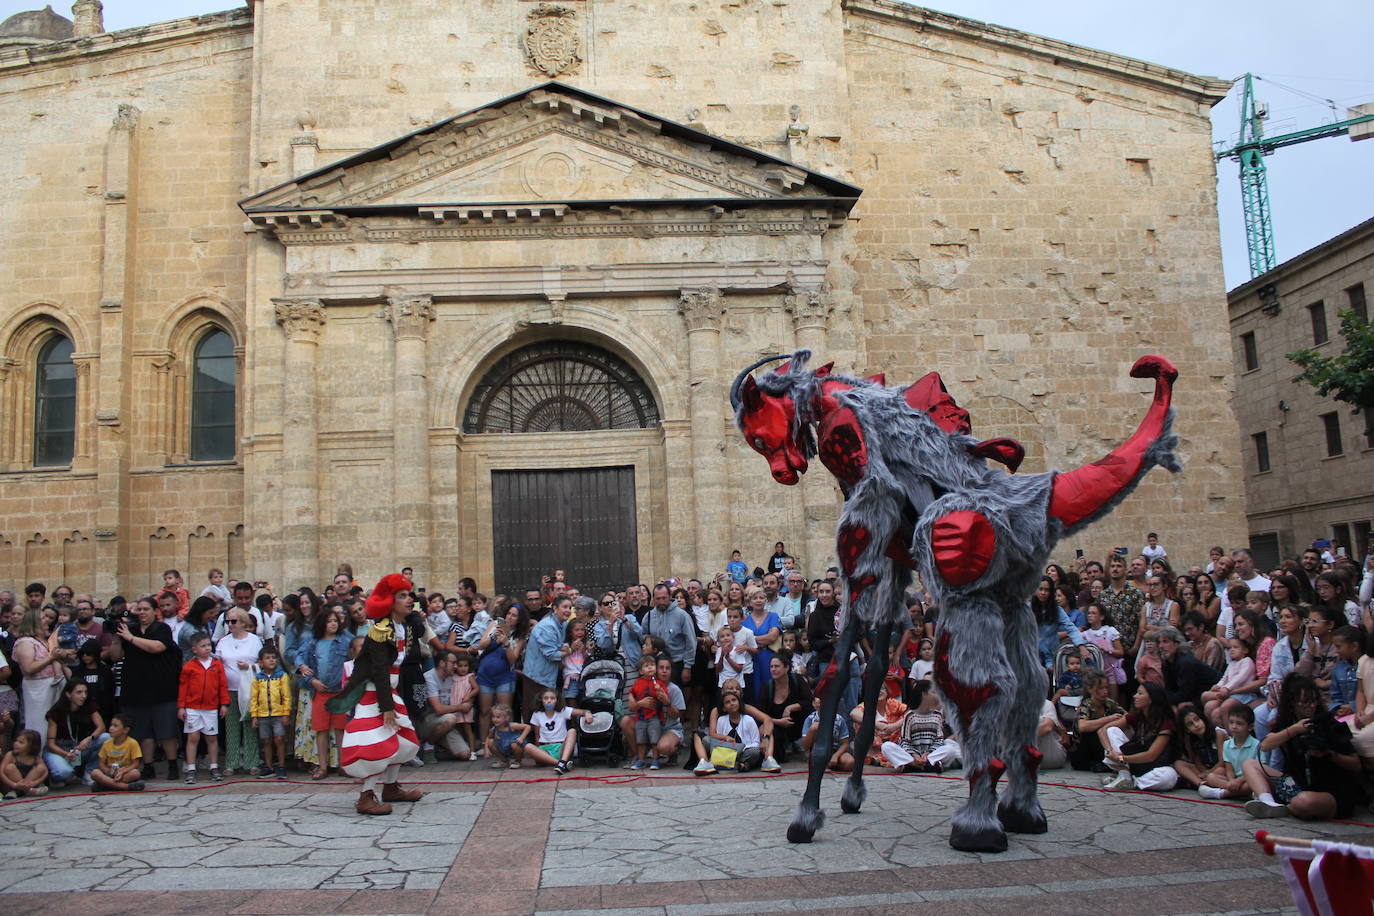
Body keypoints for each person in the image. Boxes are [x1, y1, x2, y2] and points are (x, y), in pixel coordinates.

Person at [330, 573, 424, 815]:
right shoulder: (381, 630)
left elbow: (419, 631)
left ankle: (391, 787)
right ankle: (366, 796)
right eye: (402, 596)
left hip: (389, 692)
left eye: (409, 595)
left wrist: (415, 615)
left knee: (403, 738)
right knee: (375, 743)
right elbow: (380, 671)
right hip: (374, 693)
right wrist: (387, 707)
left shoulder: (402, 627)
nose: (409, 600)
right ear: (390, 602)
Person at [1242, 674, 1361, 820]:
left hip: (1331, 792)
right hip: (1298, 785)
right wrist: (1293, 730)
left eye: (1314, 701)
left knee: (1303, 802)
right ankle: (1268, 802)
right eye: (1305, 702)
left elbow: (1355, 764)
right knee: (1249, 764)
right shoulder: (1288, 724)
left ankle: (1288, 807)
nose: (1311, 706)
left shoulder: (1330, 724)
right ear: (1292, 703)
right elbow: (1265, 745)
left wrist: (1329, 753)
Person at [117, 596, 182, 781]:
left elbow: (157, 647)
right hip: (136, 688)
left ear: (155, 611)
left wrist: (131, 638)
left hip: (162, 688)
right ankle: (148, 765)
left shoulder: (162, 628)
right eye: (139, 609)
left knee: (166, 730)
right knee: (143, 731)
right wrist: (117, 638)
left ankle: (172, 764)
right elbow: (115, 656)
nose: (142, 612)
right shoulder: (130, 629)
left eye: (146, 609)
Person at [300, 605, 351, 779]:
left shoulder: (345, 641)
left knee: (340, 729)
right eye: (329, 621)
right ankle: (322, 766)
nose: (333, 624)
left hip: (340, 693)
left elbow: (354, 660)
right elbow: (304, 664)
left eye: (335, 621)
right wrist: (312, 681)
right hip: (320, 692)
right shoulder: (313, 642)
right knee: (321, 730)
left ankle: (343, 765)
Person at [1099, 683, 1179, 791]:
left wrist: (1121, 758)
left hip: (1154, 766)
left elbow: (1151, 756)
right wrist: (1110, 751)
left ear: (1151, 699)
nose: (1135, 696)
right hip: (1132, 763)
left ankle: (1133, 782)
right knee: (1112, 730)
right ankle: (1124, 775)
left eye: (1140, 693)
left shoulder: (1166, 723)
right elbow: (1103, 730)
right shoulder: (1137, 715)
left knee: (1169, 776)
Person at [216, 605, 263, 776]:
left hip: (249, 689)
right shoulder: (223, 641)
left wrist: (250, 666)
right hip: (229, 689)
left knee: (250, 724)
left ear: (243, 622)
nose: (230, 624)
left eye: (233, 621)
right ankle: (231, 762)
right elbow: (218, 664)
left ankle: (252, 762)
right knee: (231, 726)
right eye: (227, 621)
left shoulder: (254, 640)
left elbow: (263, 663)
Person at [10, 606, 72, 737]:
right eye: (43, 618)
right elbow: (28, 668)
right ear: (34, 622)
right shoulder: (26, 642)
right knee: (39, 722)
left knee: (53, 721)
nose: (47, 620)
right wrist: (51, 658)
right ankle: (36, 748)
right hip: (37, 688)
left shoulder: (45, 640)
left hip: (52, 685)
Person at [177, 632, 228, 784]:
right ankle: (191, 768)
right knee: (193, 737)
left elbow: (222, 685)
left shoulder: (216, 665)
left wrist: (224, 704)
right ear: (194, 649)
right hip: (192, 707)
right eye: (203, 646)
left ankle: (214, 766)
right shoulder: (189, 666)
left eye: (208, 645)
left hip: (210, 707)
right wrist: (181, 707)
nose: (207, 648)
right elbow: (183, 688)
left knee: (211, 737)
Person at [475, 602, 527, 752]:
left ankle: (506, 743)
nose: (510, 617)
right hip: (486, 675)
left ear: (519, 619)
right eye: (509, 614)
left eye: (514, 615)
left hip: (505, 676)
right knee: (485, 711)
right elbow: (481, 645)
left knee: (505, 711)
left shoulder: (520, 637)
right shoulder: (494, 624)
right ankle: (485, 744)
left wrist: (506, 643)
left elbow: (512, 659)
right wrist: (494, 635)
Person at [882, 678, 958, 773]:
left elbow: (938, 740)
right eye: (933, 692)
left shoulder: (937, 716)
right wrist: (915, 755)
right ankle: (918, 764)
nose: (936, 696)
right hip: (912, 755)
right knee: (886, 746)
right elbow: (905, 741)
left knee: (950, 749)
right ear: (924, 694)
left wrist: (927, 754)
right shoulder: (910, 716)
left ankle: (916, 765)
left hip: (930, 754)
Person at [42, 680, 109, 788]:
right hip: (59, 750)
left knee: (106, 737)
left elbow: (101, 727)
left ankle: (89, 773)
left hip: (78, 747)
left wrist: (89, 738)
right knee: (63, 772)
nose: (84, 696)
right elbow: (51, 744)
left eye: (85, 692)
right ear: (68, 694)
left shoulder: (88, 704)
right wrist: (66, 754)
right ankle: (57, 775)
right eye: (79, 692)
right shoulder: (55, 712)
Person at [522, 595, 574, 723]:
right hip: (536, 677)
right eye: (564, 607)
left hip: (549, 676)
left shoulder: (563, 624)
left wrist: (565, 647)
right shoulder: (547, 626)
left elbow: (564, 642)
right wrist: (569, 650)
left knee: (548, 714)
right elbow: (551, 655)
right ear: (555, 608)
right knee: (534, 713)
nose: (568, 610)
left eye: (570, 607)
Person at [420, 650, 474, 762]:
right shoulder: (429, 677)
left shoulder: (452, 677)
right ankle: (428, 747)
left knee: (465, 754)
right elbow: (438, 709)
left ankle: (439, 744)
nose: (456, 666)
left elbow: (466, 692)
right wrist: (461, 707)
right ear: (442, 663)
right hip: (427, 720)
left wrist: (469, 700)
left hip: (446, 722)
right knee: (450, 719)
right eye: (453, 663)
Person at [524, 687, 593, 774]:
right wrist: (538, 753)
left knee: (572, 731)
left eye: (552, 698)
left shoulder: (563, 711)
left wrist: (588, 714)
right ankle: (560, 763)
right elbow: (537, 736)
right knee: (528, 746)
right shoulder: (537, 714)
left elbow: (583, 711)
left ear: (557, 700)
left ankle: (562, 761)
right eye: (546, 698)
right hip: (545, 749)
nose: (549, 701)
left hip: (561, 748)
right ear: (541, 700)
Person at [1198, 705, 1259, 800]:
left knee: (1252, 784)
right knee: (1211, 777)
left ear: (1250, 727)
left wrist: (1239, 781)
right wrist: (1231, 781)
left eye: (1239, 723)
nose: (1234, 726)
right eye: (1231, 722)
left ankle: (1221, 793)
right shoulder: (1227, 744)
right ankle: (1238, 792)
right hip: (1234, 779)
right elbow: (1229, 768)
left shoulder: (1256, 745)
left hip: (1248, 779)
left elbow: (1258, 771)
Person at [250, 645, 291, 779]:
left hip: (278, 714)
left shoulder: (282, 676)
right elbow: (254, 698)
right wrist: (254, 715)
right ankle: (269, 767)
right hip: (263, 714)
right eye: (267, 658)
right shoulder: (257, 678)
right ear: (261, 662)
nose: (271, 660)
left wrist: (286, 713)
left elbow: (286, 696)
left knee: (279, 739)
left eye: (273, 657)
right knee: (266, 741)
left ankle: (282, 766)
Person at [1157, 627, 1221, 710]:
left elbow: (1185, 694)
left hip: (1212, 694)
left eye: (1165, 642)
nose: (1161, 646)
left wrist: (1162, 698)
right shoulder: (1167, 662)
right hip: (1195, 696)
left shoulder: (1185, 662)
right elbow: (1169, 688)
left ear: (1177, 644)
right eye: (1159, 642)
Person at [762, 650, 809, 762]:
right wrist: (779, 722)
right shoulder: (767, 687)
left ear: (786, 668)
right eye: (771, 666)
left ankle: (809, 748)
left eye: (777, 666)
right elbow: (761, 714)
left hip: (798, 723)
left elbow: (809, 700)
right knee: (779, 758)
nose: (773, 669)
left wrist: (790, 708)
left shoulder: (797, 680)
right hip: (776, 724)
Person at [1202, 637, 1257, 726]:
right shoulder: (1231, 664)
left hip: (1243, 693)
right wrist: (1218, 686)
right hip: (1228, 692)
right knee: (1205, 696)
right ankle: (1211, 728)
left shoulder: (1247, 661)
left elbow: (1240, 678)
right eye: (1230, 648)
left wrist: (1227, 688)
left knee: (1225, 706)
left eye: (1235, 647)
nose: (1232, 650)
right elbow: (1225, 678)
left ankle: (1229, 730)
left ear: (1245, 650)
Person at [89, 713, 145, 792]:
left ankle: (106, 785)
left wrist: (122, 771)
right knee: (95, 773)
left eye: (115, 726)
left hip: (124, 773)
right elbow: (101, 764)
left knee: (135, 773)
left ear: (126, 730)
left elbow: (136, 764)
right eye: (111, 725)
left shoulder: (133, 743)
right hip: (109, 774)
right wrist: (108, 771)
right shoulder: (106, 743)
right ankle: (125, 787)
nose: (111, 728)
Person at [1170, 704, 1221, 792]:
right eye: (1190, 724)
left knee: (1219, 771)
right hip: (1206, 771)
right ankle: (1202, 784)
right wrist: (1204, 773)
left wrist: (1209, 772)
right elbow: (1198, 763)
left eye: (1197, 719)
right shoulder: (1192, 740)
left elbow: (1223, 761)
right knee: (1179, 764)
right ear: (1187, 729)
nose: (1196, 725)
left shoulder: (1218, 734)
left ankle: (1209, 782)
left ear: (1203, 718)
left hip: (1220, 768)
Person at [798, 693, 853, 773]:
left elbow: (845, 743)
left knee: (849, 762)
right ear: (814, 704)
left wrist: (836, 755)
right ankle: (827, 764)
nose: (823, 705)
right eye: (820, 702)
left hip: (835, 750)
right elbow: (805, 746)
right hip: (817, 750)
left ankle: (831, 764)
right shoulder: (810, 719)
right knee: (818, 762)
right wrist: (812, 730)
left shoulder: (839, 719)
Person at [1, 728, 50, 797]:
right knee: (10, 767)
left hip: (29, 782)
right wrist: (14, 785)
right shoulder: (10, 755)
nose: (16, 744)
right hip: (12, 785)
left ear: (31, 746)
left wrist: (35, 782)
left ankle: (23, 791)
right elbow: (1, 772)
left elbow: (45, 772)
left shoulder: (35, 757)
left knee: (40, 768)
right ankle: (26, 791)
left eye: (21, 742)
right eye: (16, 741)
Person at [484, 702, 528, 768]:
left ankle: (518, 761)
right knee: (490, 742)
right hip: (503, 747)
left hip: (515, 746)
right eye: (493, 717)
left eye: (498, 717)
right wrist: (486, 749)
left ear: (506, 718)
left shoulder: (512, 726)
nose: (495, 719)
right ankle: (504, 761)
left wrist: (522, 737)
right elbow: (488, 738)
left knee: (514, 744)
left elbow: (527, 727)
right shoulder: (494, 729)